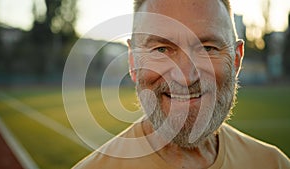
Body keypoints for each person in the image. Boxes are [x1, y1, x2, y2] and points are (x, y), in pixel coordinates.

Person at [74, 0, 290, 168]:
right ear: (133, 61)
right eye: (161, 49)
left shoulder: (274, 164)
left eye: (207, 48)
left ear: (235, 60)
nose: (186, 78)